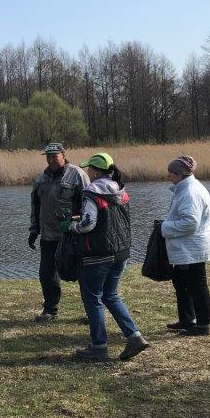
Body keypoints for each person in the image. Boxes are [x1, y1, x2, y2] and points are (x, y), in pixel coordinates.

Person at [63, 153, 149, 361]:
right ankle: (135, 337)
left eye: (89, 169)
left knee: (93, 298)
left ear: (95, 171)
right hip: (121, 252)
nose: (88, 172)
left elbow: (88, 224)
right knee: (111, 295)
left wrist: (71, 226)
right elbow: (109, 218)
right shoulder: (120, 189)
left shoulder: (91, 191)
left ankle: (99, 346)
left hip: (98, 254)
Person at [29, 142, 90, 322]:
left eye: (54, 156)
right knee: (46, 274)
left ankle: (91, 311)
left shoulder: (78, 174)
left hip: (73, 235)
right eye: (48, 157)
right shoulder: (41, 179)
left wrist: (84, 227)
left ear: (63, 155)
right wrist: (34, 229)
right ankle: (50, 310)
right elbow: (35, 206)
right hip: (48, 236)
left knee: (83, 274)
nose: (51, 160)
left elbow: (89, 205)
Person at [160, 155, 210, 336]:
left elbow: (190, 222)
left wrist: (164, 227)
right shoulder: (185, 188)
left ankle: (203, 324)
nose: (168, 176)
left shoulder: (190, 192)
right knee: (181, 283)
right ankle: (187, 319)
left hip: (193, 247)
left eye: (170, 173)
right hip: (188, 246)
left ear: (180, 174)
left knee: (197, 285)